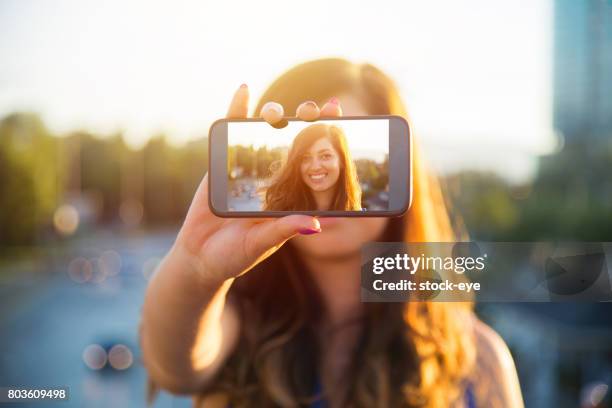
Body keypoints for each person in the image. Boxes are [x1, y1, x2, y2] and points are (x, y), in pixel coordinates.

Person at [140, 58, 524, 407]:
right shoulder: (234, 323)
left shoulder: (478, 358)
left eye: (331, 151)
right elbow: (173, 368)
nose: (317, 172)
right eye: (302, 152)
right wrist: (197, 268)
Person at [263, 123, 362, 211]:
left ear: (342, 161)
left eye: (325, 156)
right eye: (306, 158)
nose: (315, 167)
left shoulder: (362, 222)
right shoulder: (277, 215)